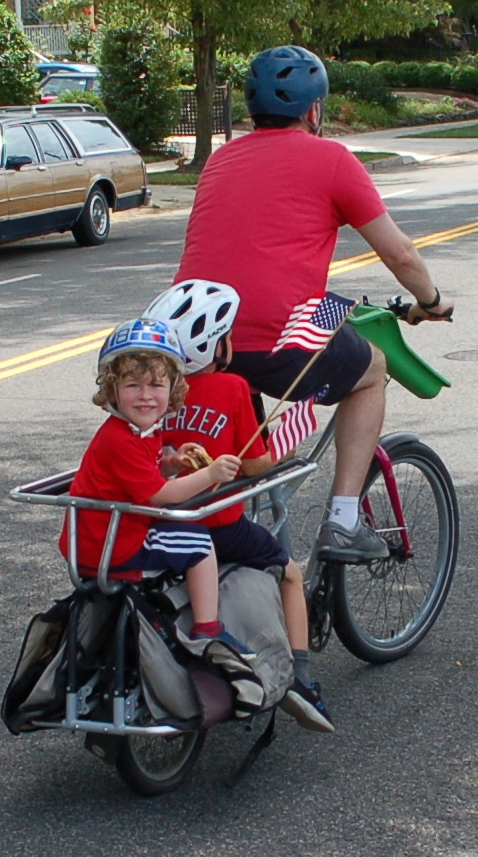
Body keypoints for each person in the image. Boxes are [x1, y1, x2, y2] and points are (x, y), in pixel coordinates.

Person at [175, 45, 454, 565]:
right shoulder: (332, 160)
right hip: (276, 341)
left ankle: (244, 543)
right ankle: (343, 521)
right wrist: (431, 301)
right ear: (314, 109)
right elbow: (400, 254)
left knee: (246, 459)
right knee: (371, 369)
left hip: (201, 344)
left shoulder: (220, 159)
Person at [146, 279, 334, 733]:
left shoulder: (157, 392)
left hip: (164, 521)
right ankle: (301, 678)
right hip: (219, 525)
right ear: (217, 345)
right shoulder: (233, 387)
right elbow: (254, 464)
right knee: (290, 572)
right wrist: (285, 446)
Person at [58, 316, 248, 651]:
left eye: (157, 386)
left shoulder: (139, 430)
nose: (145, 396)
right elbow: (161, 494)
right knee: (200, 544)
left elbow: (141, 474)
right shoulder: (121, 439)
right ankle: (207, 629)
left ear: (172, 389)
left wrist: (172, 463)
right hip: (113, 544)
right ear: (112, 390)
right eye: (133, 385)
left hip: (108, 534)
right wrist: (210, 475)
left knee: (184, 534)